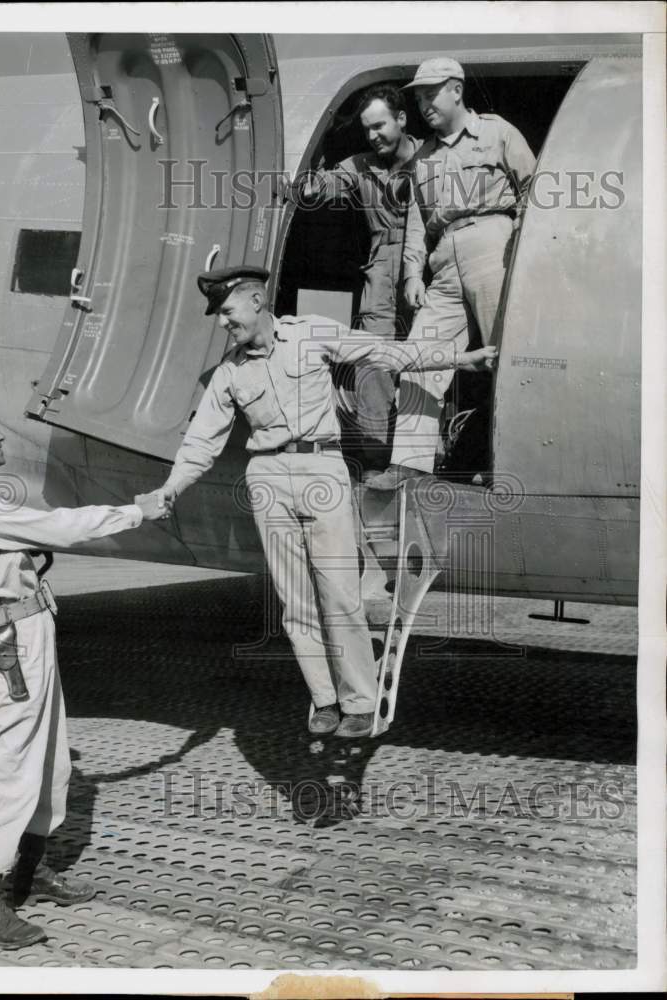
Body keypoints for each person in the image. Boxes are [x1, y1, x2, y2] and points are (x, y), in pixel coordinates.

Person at [154, 265, 497, 739]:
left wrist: (462, 359)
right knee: (295, 601)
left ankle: (359, 702)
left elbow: (387, 353)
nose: (222, 322)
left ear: (256, 301)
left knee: (339, 592)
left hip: (323, 468)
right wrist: (171, 487)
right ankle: (325, 699)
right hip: (268, 478)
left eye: (227, 311)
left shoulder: (310, 333)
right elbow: (200, 443)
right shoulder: (230, 371)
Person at [0, 396, 170, 949]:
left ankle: (31, 871)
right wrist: (136, 511)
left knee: (51, 756)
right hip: (11, 643)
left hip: (29, 631)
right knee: (13, 762)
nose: (0, 439)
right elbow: (61, 526)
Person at [365, 58, 536, 490]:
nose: (424, 105)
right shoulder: (423, 157)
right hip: (442, 262)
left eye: (431, 94)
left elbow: (535, 188)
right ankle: (409, 465)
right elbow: (418, 222)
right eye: (419, 97)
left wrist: (522, 242)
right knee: (420, 358)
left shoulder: (498, 133)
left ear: (457, 90)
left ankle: (504, 462)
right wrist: (411, 275)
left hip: (492, 244)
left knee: (508, 358)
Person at [298, 85, 423, 476]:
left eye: (380, 126)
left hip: (427, 270)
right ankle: (374, 462)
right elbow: (324, 186)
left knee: (429, 367)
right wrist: (313, 176)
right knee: (373, 366)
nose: (374, 136)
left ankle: (421, 462)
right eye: (367, 129)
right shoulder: (360, 165)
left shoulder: (434, 157)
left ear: (401, 119)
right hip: (380, 275)